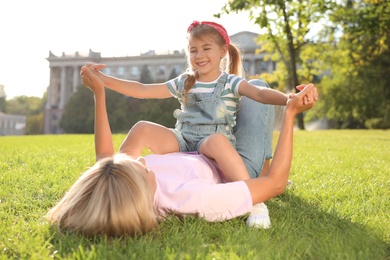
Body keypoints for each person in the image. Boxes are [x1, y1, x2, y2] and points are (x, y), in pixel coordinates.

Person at [45, 64, 318, 238]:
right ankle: (257, 199)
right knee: (256, 87)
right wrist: (290, 111)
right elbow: (275, 184)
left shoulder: (122, 185)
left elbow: (105, 157)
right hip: (236, 169)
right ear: (138, 188)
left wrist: (100, 91)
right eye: (139, 165)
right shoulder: (192, 199)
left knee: (214, 125)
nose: (140, 158)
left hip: (201, 146)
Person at [84, 21, 289, 185]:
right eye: (193, 50)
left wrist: (288, 99)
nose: (199, 55)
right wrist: (104, 79)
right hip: (183, 140)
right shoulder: (185, 81)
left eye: (206, 48)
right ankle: (117, 180)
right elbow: (142, 90)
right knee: (141, 128)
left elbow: (260, 94)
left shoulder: (230, 82)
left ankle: (252, 196)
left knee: (217, 140)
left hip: (212, 144)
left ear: (222, 51)